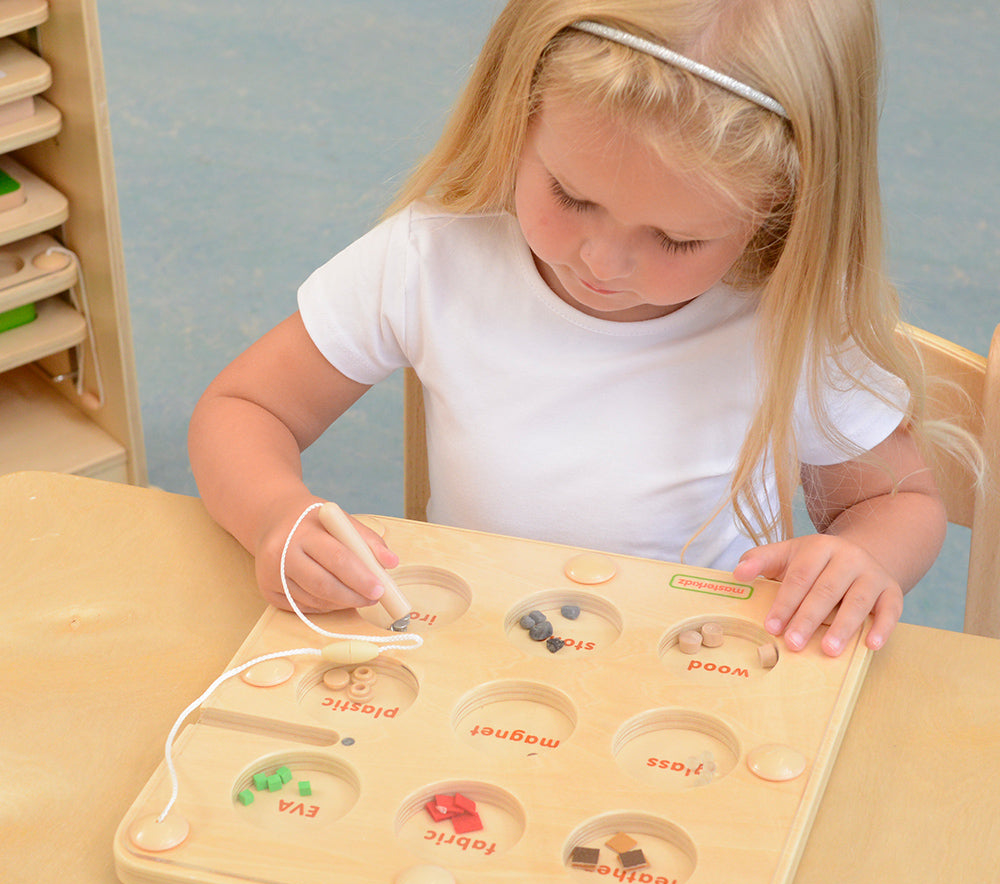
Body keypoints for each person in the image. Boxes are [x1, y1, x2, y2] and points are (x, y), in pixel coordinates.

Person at [189, 0, 965, 657]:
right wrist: (275, 517)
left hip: (691, 671)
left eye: (677, 239)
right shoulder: (431, 259)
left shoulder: (786, 322)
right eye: (570, 194)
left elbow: (902, 503)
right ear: (519, 116)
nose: (603, 260)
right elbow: (245, 410)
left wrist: (862, 559)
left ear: (783, 212)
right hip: (477, 653)